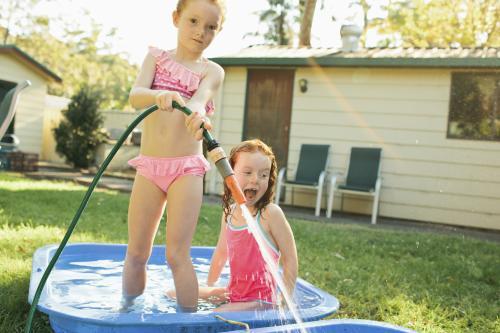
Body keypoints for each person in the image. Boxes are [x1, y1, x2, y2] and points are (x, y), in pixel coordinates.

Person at [122, 0, 226, 312]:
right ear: (176, 18)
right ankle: (125, 314)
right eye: (193, 21)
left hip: (186, 169)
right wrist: (158, 95)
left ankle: (189, 321)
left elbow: (200, 99)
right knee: (137, 252)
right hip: (150, 167)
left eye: (211, 27)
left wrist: (195, 109)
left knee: (176, 255)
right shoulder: (156, 59)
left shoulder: (212, 71)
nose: (201, 32)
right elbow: (135, 96)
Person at [168, 139, 299, 312]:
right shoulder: (229, 213)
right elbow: (222, 253)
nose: (256, 179)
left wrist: (284, 300)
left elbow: (290, 259)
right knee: (175, 293)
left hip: (261, 301)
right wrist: (211, 286)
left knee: (216, 313)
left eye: (264, 175)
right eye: (247, 172)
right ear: (231, 175)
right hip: (234, 293)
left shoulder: (270, 214)